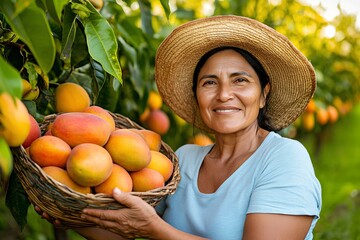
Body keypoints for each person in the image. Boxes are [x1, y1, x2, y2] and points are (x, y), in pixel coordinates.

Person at [36, 15, 321, 239]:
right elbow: (129, 228)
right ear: (197, 97)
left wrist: (156, 231)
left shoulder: (284, 158)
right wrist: (73, 216)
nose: (223, 94)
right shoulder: (183, 159)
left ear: (264, 94)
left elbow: (151, 229)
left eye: (240, 80)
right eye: (209, 82)